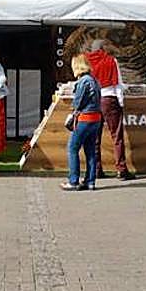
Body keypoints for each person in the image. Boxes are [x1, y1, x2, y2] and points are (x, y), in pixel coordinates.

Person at [85, 39, 134, 180]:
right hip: (109, 99)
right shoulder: (111, 60)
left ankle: (96, 170)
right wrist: (120, 102)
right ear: (103, 48)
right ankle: (121, 169)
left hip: (93, 100)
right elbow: (117, 84)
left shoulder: (87, 61)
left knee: (95, 138)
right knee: (116, 137)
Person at [62, 54, 102, 191]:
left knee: (72, 148)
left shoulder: (83, 81)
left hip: (85, 118)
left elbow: (78, 103)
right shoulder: (94, 80)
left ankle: (73, 181)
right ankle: (90, 181)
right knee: (90, 151)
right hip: (96, 119)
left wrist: (72, 112)